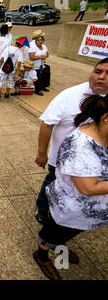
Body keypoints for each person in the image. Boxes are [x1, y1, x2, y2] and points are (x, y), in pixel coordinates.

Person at [34, 93, 108, 280]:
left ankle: (57, 244)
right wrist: (41, 153)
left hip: (88, 210)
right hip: (71, 207)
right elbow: (88, 188)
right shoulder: (81, 146)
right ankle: (42, 254)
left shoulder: (100, 132)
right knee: (52, 233)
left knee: (64, 233)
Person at [34, 57, 108, 226]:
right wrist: (41, 153)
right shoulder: (69, 95)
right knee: (52, 183)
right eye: (98, 72)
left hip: (95, 162)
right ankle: (43, 207)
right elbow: (47, 123)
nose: (101, 77)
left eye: (107, 74)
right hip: (61, 160)